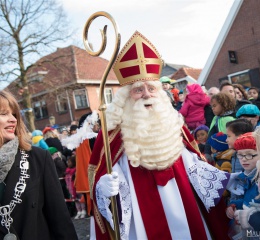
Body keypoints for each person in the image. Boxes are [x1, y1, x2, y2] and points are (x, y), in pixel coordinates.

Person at [89, 31, 236, 240]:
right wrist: (102, 186)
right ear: (125, 97)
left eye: (151, 88)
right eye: (138, 90)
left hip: (185, 202)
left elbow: (193, 162)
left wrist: (226, 178)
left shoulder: (172, 121)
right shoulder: (112, 133)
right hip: (139, 212)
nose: (147, 94)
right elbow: (97, 172)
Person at [0, 90, 78, 239]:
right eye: (4, 114)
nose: (13, 120)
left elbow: (59, 219)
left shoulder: (38, 158)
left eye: (14, 114)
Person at [226, 133, 260, 240]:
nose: (244, 159)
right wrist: (234, 205)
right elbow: (248, 200)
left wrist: (246, 216)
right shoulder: (248, 175)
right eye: (240, 155)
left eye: (250, 154)